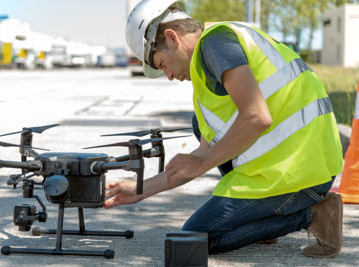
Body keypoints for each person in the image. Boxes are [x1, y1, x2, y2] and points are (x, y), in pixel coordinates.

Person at [104, 0, 344, 258]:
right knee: (200, 125)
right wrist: (141, 189)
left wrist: (203, 162)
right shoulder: (208, 69)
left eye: (162, 64)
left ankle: (314, 214)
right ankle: (264, 221)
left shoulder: (217, 44)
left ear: (172, 37)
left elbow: (256, 117)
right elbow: (200, 156)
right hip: (295, 166)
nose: (169, 76)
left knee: (195, 239)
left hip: (299, 174)